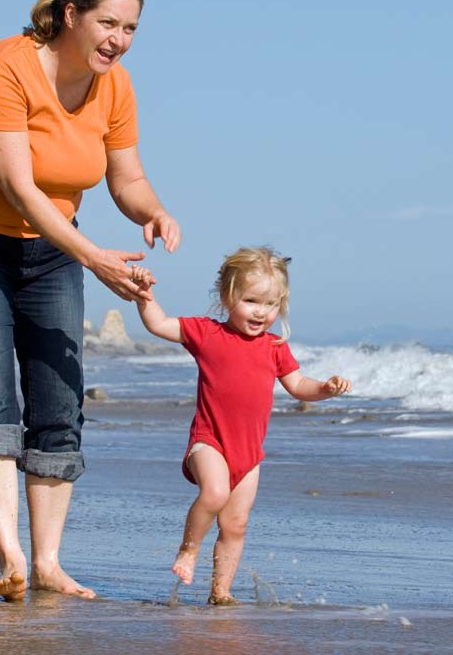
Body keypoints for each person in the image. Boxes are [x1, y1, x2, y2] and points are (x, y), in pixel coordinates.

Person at [0, 0, 180, 601]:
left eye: (130, 29)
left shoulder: (115, 87)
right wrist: (93, 256)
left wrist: (152, 210)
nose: (118, 39)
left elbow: (125, 177)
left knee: (60, 404)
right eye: (108, 23)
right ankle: (10, 559)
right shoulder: (1, 67)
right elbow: (18, 186)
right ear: (71, 14)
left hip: (53, 253)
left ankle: (47, 563)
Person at [132, 247, 351, 604]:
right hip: (209, 443)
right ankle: (189, 550)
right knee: (214, 494)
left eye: (271, 304)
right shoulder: (206, 334)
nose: (261, 312)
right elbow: (159, 324)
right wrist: (145, 297)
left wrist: (325, 389)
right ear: (227, 296)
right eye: (251, 300)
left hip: (249, 456)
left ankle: (221, 590)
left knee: (236, 525)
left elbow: (298, 386)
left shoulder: (275, 347)